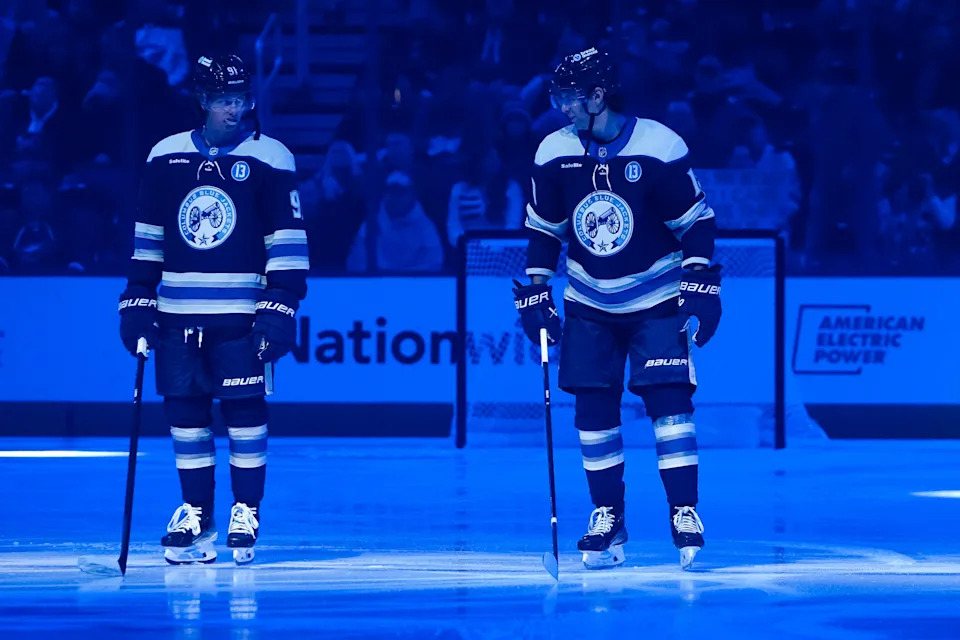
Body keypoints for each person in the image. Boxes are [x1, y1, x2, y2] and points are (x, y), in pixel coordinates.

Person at [512, 47, 721, 571]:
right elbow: (545, 231)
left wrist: (699, 280)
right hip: (588, 301)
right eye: (558, 96)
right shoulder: (553, 151)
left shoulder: (659, 145)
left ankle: (684, 511)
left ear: (598, 96)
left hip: (656, 299)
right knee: (593, 412)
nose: (562, 107)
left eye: (569, 97)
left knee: (670, 405)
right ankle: (608, 515)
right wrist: (536, 292)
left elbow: (696, 222)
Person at [117, 54, 309, 565]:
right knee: (185, 415)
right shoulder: (165, 156)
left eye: (240, 98)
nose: (234, 109)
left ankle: (246, 508)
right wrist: (137, 300)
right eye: (223, 99)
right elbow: (148, 239)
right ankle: (196, 512)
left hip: (240, 316)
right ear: (202, 100)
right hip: (177, 315)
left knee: (244, 411)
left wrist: (280, 307)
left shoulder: (271, 156)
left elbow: (287, 240)